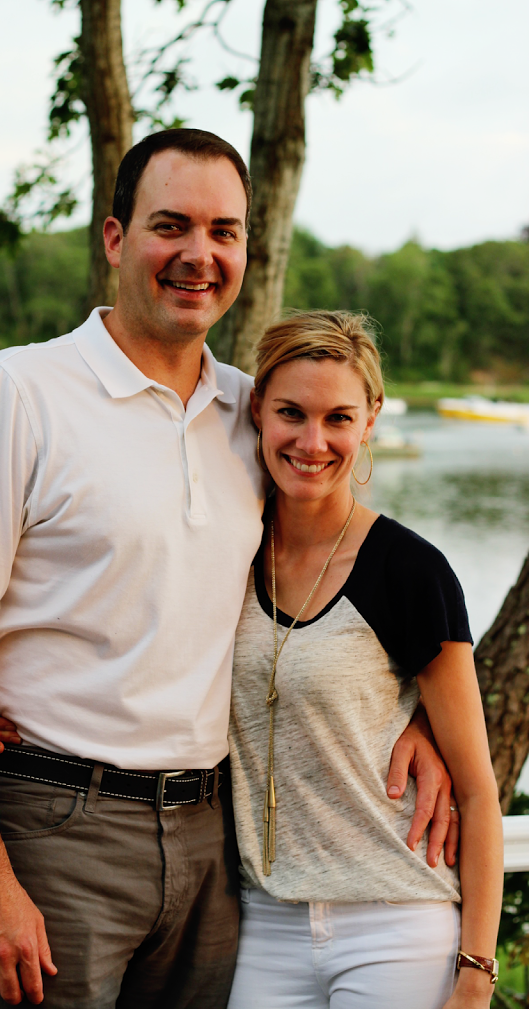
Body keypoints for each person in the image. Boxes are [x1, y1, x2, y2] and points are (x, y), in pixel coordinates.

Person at [0, 129, 457, 1009]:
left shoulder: (253, 410)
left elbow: (343, 562)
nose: (199, 255)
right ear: (117, 239)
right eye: (172, 226)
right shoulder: (19, 392)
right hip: (59, 827)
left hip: (214, 843)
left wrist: (419, 708)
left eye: (224, 231)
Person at [224, 311, 503, 1009]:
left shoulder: (411, 572)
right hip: (264, 923)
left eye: (338, 418)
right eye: (291, 412)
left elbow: (476, 792)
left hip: (396, 923)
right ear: (257, 408)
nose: (312, 442)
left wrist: (475, 973)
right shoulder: (225, 552)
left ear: (371, 418)